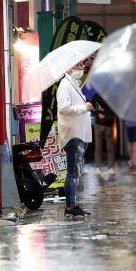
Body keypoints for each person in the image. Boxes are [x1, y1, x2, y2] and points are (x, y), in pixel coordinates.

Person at [56, 60, 93, 218]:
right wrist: (84, 107)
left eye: (82, 65)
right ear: (68, 67)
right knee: (73, 172)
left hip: (78, 133)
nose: (82, 68)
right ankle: (70, 205)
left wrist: (86, 108)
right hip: (73, 134)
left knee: (76, 172)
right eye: (78, 65)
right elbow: (64, 108)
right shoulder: (65, 84)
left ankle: (72, 204)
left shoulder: (74, 84)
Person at [91, 93, 117, 175]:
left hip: (109, 124)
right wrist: (98, 113)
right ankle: (97, 167)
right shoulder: (96, 96)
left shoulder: (112, 97)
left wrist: (103, 111)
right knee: (98, 147)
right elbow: (92, 107)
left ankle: (111, 167)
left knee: (110, 147)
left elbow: (114, 110)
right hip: (98, 125)